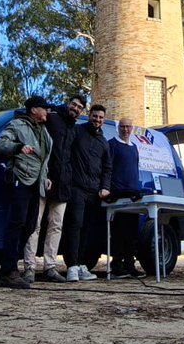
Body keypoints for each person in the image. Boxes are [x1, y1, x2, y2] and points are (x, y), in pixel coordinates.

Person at [21, 94, 84, 284]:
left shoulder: (75, 129)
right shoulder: (52, 118)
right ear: (68, 104)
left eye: (79, 107)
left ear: (81, 111)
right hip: (44, 178)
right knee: (35, 223)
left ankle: (50, 267)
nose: (75, 108)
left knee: (56, 226)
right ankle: (29, 267)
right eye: (73, 104)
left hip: (64, 183)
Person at [0, 96, 53, 289]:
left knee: (29, 226)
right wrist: (18, 147)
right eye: (44, 108)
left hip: (37, 184)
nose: (47, 112)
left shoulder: (43, 131)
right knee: (16, 223)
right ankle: (7, 272)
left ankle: (12, 268)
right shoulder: (17, 125)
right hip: (21, 179)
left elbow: (43, 160)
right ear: (34, 109)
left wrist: (46, 177)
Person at [61, 104, 111, 282]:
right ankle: (72, 266)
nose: (97, 120)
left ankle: (82, 264)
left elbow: (107, 168)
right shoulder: (77, 131)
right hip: (76, 187)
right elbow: (65, 153)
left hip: (94, 192)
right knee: (75, 225)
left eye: (100, 117)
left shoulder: (104, 142)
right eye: (95, 116)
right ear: (89, 116)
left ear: (103, 120)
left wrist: (105, 186)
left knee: (87, 229)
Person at [107, 116, 144, 278]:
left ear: (132, 128)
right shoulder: (112, 145)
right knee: (119, 233)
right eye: (122, 126)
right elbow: (107, 168)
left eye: (128, 126)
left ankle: (130, 265)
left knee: (132, 233)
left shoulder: (134, 147)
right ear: (118, 128)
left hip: (133, 197)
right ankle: (116, 265)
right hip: (118, 197)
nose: (125, 129)